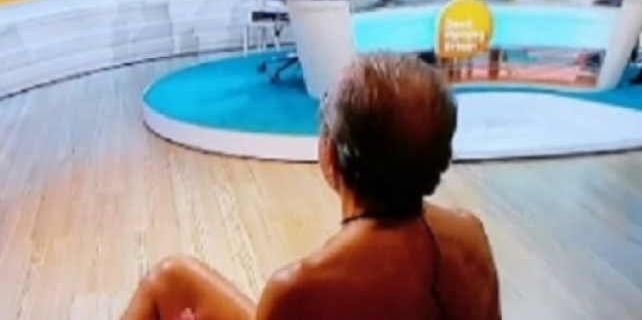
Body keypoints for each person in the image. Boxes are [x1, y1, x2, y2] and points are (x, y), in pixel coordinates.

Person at [121, 54, 502, 320]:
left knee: (163, 282)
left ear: (330, 156)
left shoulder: (299, 288)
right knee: (174, 277)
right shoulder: (469, 234)